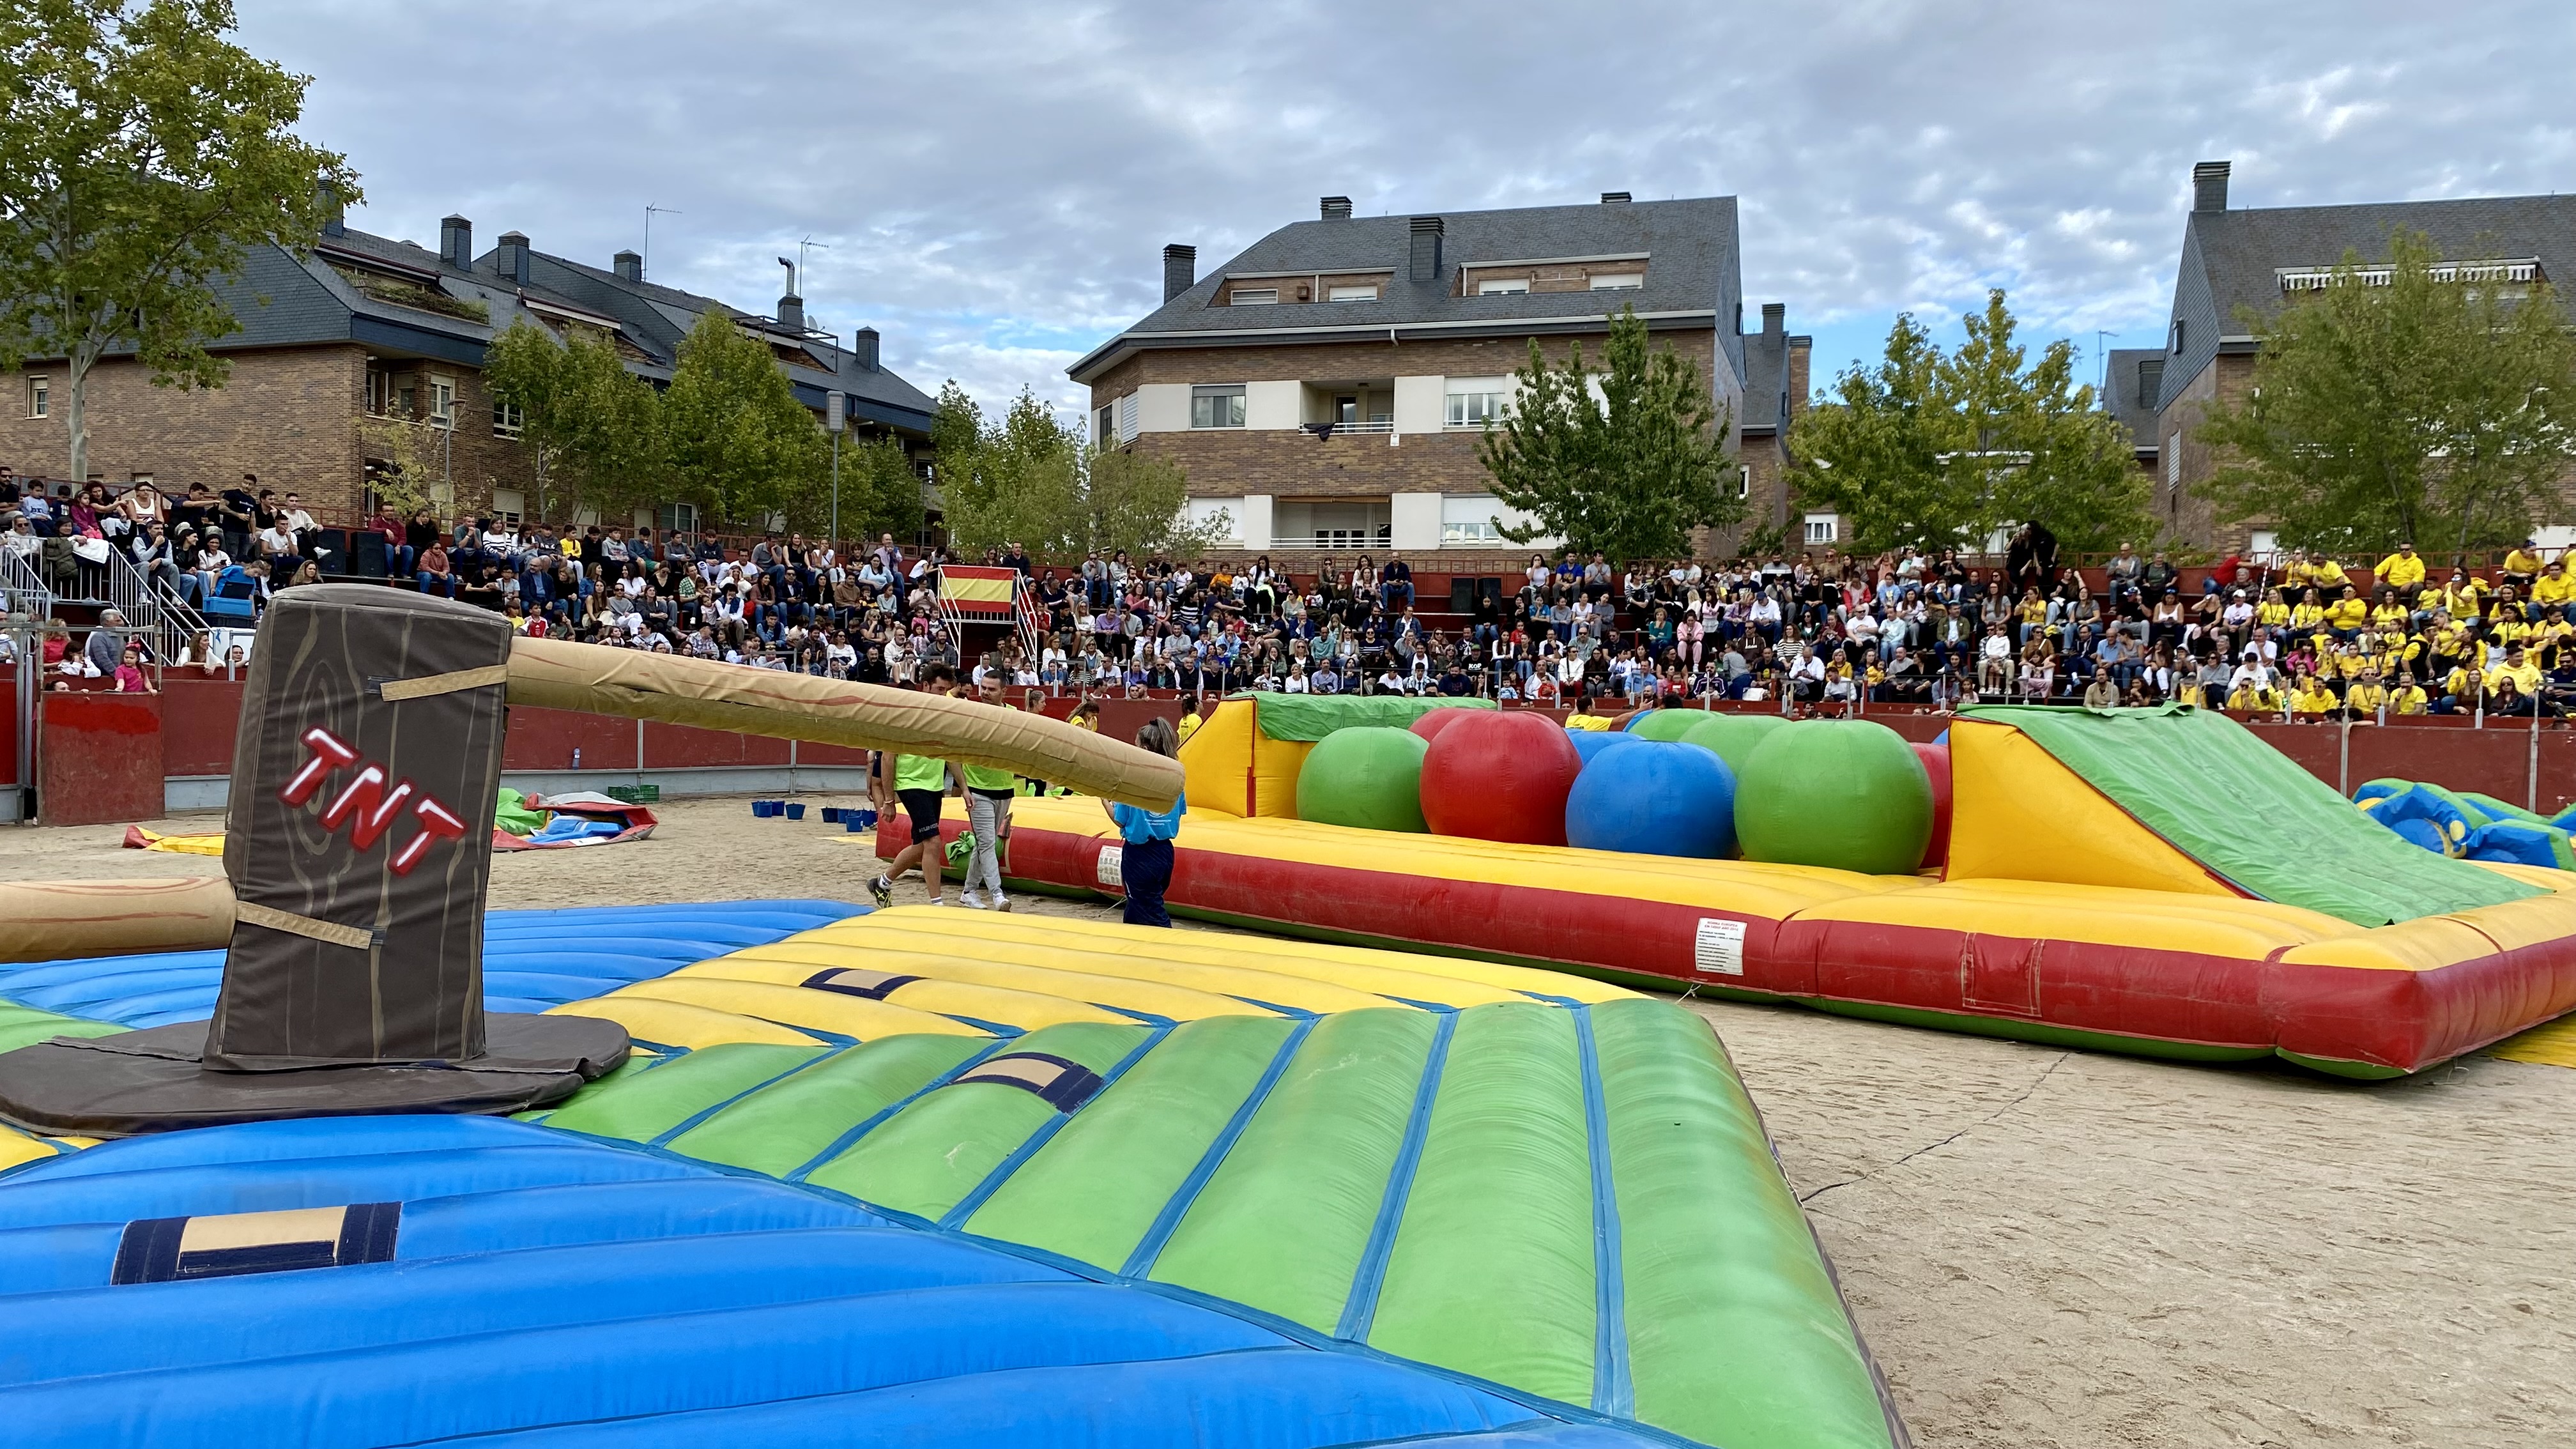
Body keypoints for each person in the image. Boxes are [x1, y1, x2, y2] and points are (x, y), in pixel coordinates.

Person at [1103, 717, 1186, 927]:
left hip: (1140, 855)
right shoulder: (1174, 779)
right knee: (1138, 905)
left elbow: (1121, 821)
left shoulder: (1133, 781)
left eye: (1136, 745)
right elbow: (1178, 813)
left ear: (1145, 748)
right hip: (1165, 853)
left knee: (1150, 910)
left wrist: (1104, 799)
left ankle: (1167, 952)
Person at [958, 677, 1020, 912]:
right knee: (988, 843)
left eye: (991, 689)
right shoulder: (971, 713)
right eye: (982, 687)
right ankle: (997, 894)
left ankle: (968, 891)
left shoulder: (1014, 715)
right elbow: (956, 753)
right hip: (977, 790)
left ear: (1003, 691)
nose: (985, 692)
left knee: (984, 844)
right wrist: (964, 788)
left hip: (1004, 789)